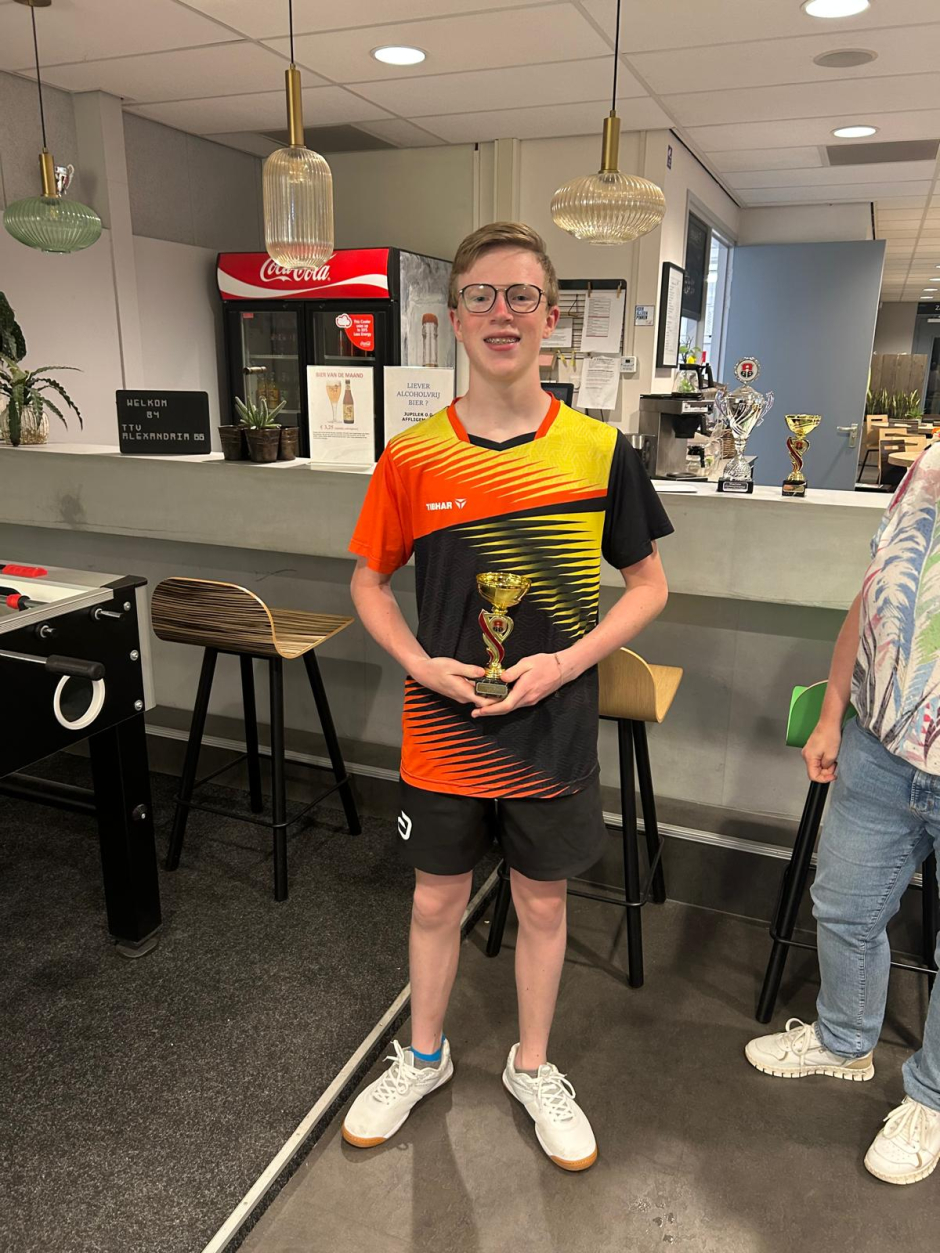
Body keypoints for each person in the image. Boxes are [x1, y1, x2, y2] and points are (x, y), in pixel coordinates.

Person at [341, 222, 672, 1170]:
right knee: (434, 902)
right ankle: (424, 1057)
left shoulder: (599, 450)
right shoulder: (412, 457)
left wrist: (566, 663)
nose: (501, 313)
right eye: (481, 296)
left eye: (521, 295)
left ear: (550, 317)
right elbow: (368, 581)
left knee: (542, 905)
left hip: (552, 732)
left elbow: (648, 586)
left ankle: (533, 1066)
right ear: (453, 318)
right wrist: (418, 661)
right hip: (441, 732)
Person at [747, 445, 940, 1185]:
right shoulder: (927, 468)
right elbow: (872, 598)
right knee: (843, 905)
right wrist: (832, 713)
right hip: (882, 742)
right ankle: (844, 1040)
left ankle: (930, 1098)